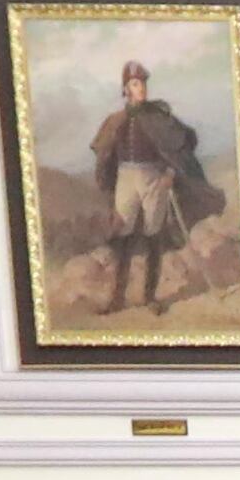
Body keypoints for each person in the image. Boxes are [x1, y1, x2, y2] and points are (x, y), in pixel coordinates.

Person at [83, 57, 218, 317]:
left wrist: (169, 172)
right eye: (135, 84)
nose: (141, 88)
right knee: (122, 234)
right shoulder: (115, 120)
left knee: (154, 234)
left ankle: (149, 297)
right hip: (125, 179)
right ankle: (117, 299)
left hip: (154, 178)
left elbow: (187, 140)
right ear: (126, 89)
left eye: (143, 83)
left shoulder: (159, 117)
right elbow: (105, 154)